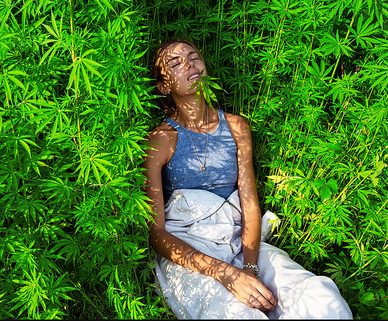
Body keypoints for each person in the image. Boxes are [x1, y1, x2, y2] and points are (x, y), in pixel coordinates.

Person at [142, 39, 353, 319]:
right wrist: (225, 274)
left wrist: (248, 269)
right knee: (238, 314)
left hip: (239, 240)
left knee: (320, 298)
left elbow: (250, 204)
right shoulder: (160, 140)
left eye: (193, 56)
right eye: (176, 63)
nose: (189, 64)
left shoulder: (236, 126)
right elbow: (156, 233)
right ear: (164, 86)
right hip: (190, 249)